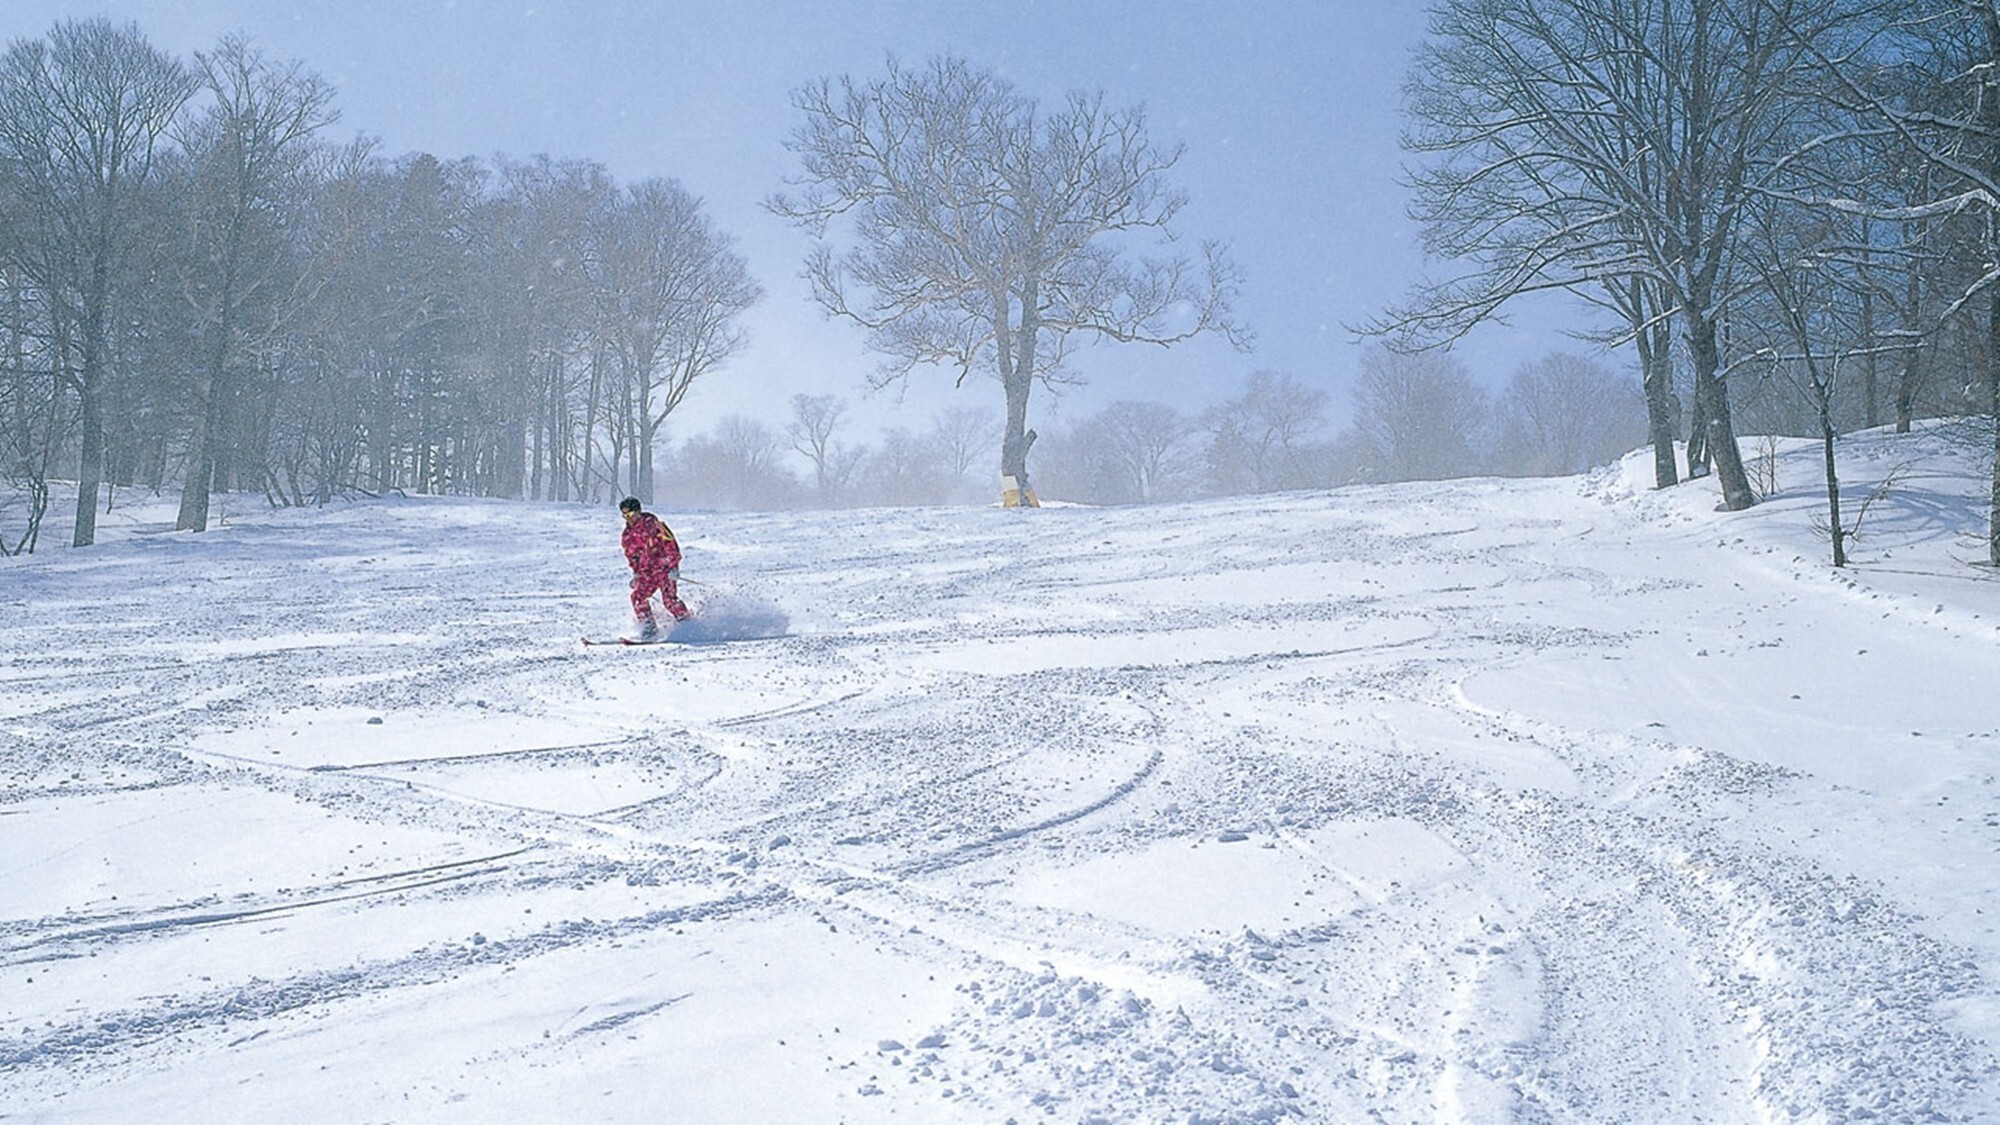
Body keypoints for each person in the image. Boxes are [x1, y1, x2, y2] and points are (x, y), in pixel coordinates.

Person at [619, 496, 692, 639]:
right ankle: (649, 628)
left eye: (631, 515)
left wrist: (674, 567)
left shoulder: (654, 525)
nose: (629, 518)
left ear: (639, 511)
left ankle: (687, 625)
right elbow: (632, 556)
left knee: (669, 600)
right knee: (637, 597)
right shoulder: (627, 535)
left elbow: (671, 546)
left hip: (664, 570)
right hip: (647, 574)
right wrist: (636, 574)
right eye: (625, 515)